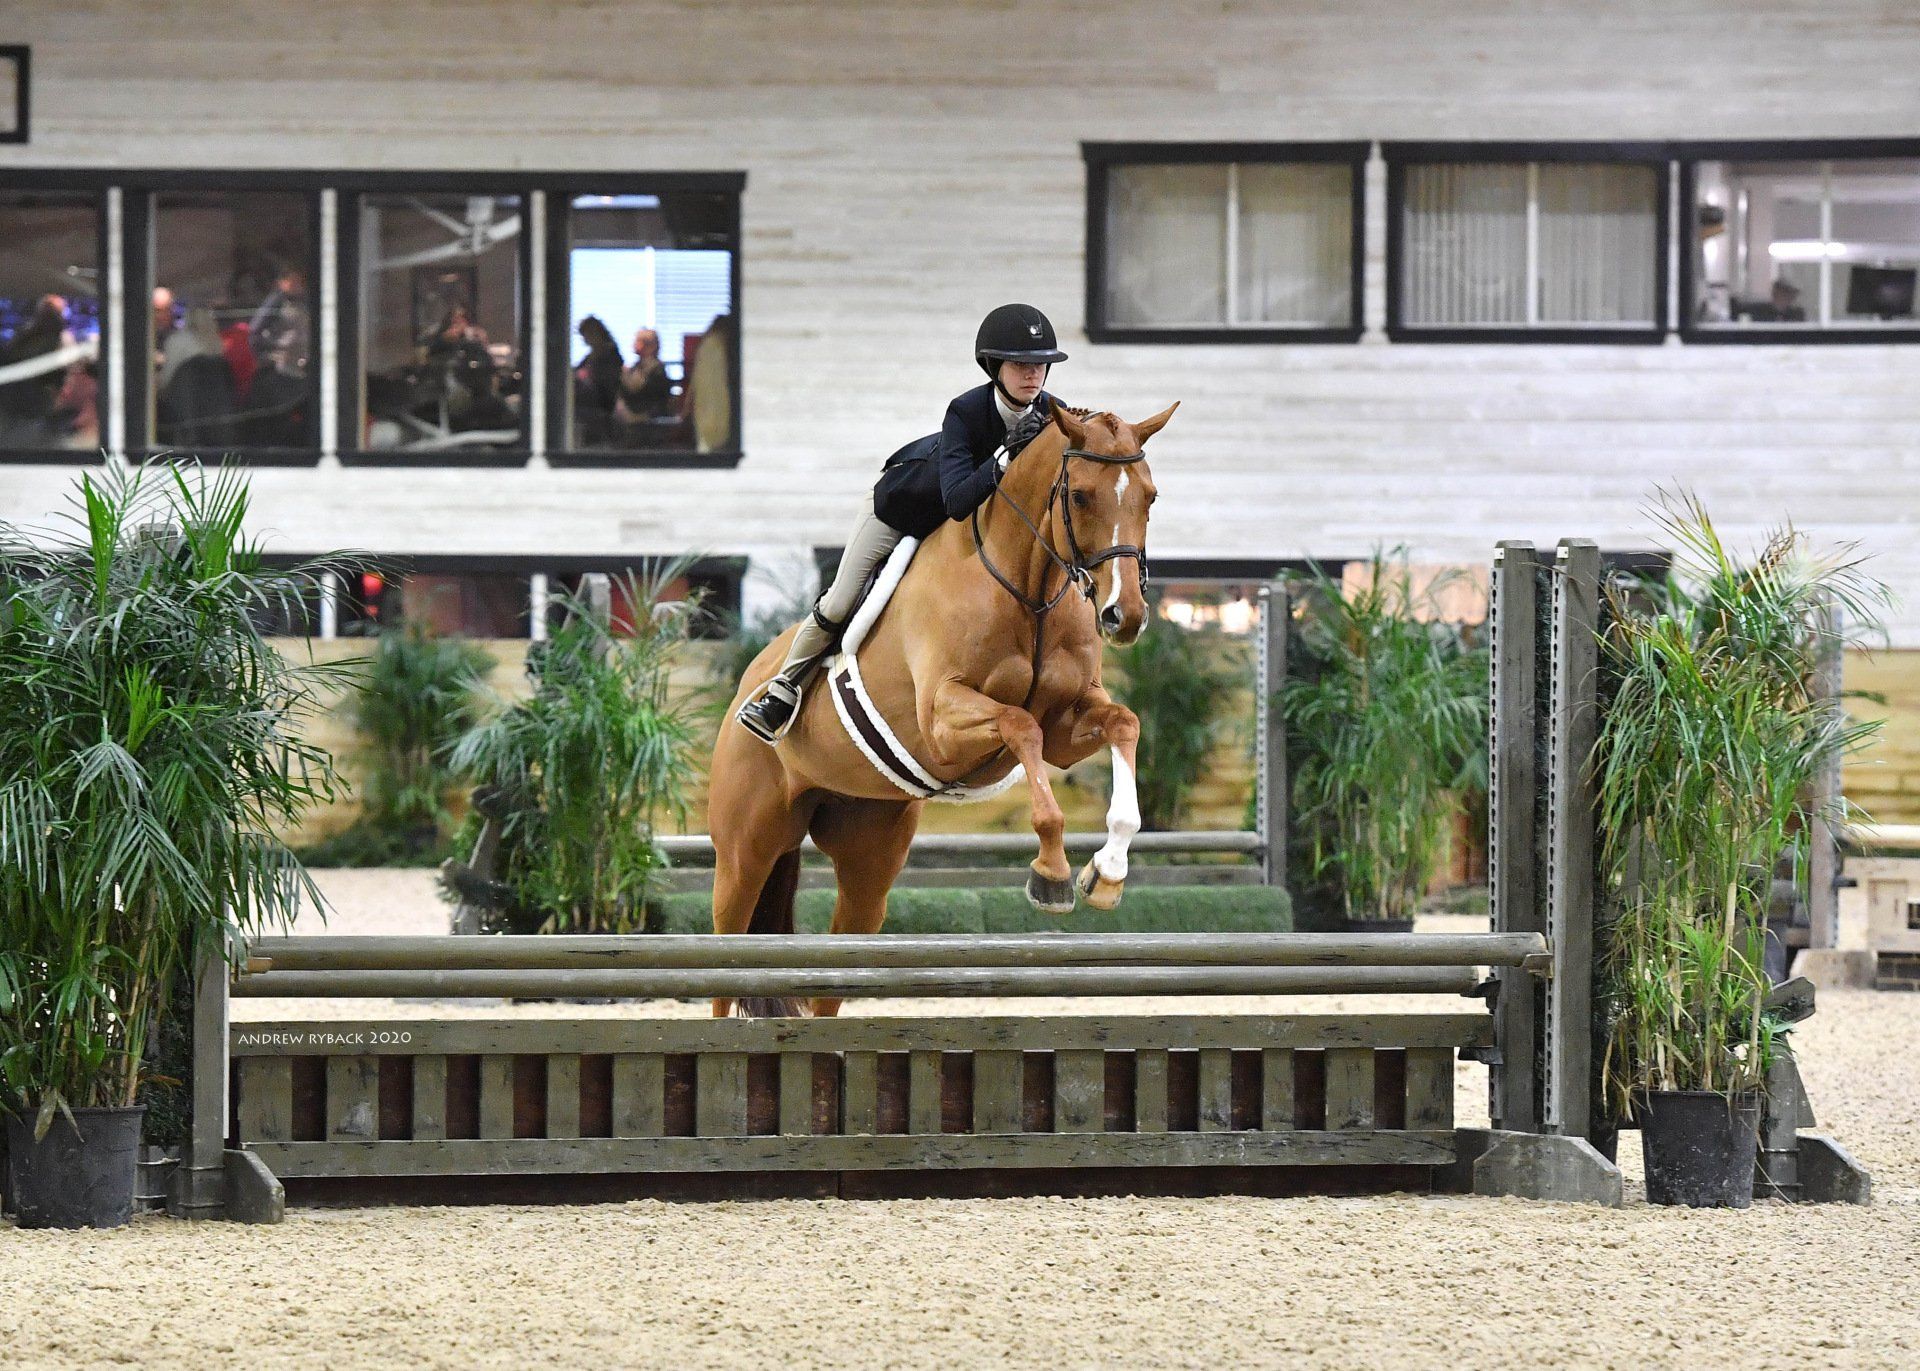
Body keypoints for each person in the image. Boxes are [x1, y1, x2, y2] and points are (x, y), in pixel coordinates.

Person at [736, 303, 1069, 743]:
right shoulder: (966, 411)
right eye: (1020, 365)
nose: (1033, 375)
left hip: (965, 535)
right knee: (841, 600)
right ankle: (782, 690)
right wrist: (1005, 456)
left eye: (1041, 366)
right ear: (994, 367)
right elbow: (956, 501)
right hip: (903, 509)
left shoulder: (1053, 412)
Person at [573, 315, 624, 445]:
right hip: (588, 406)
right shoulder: (591, 356)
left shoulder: (609, 355)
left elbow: (606, 384)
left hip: (600, 407)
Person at [618, 327, 673, 422]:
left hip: (649, 418)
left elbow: (649, 394)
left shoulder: (657, 369)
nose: (634, 344)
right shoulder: (635, 367)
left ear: (651, 346)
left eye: (638, 341)